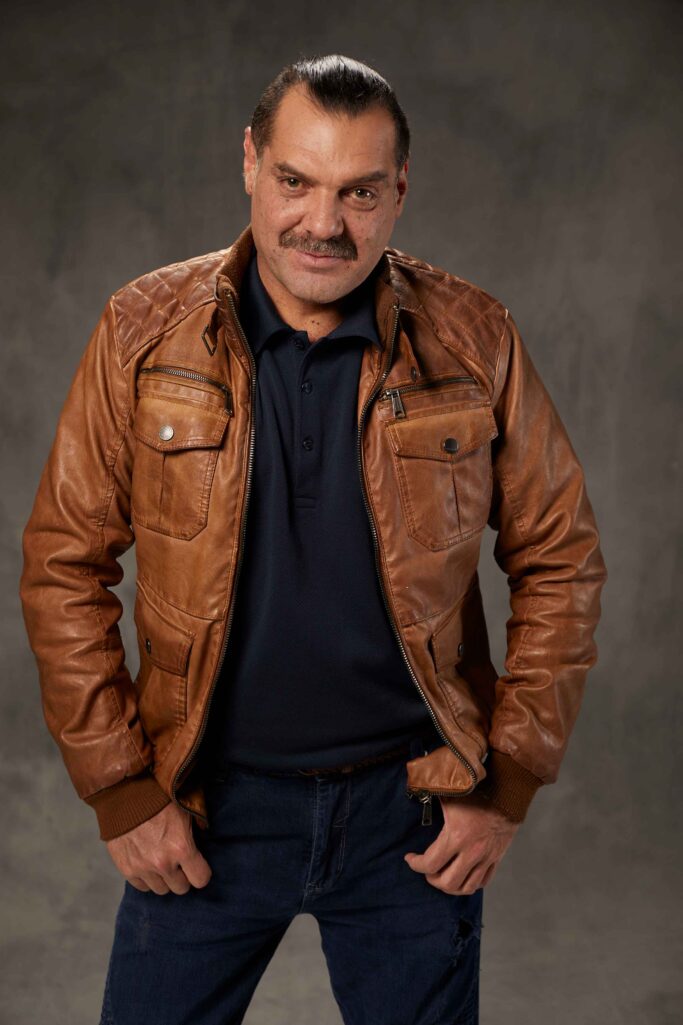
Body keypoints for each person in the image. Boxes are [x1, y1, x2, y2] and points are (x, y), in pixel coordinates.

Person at [19, 54, 607, 1025]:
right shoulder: (141, 329)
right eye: (295, 180)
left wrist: (506, 782)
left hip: (411, 813)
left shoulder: (473, 336)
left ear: (399, 190)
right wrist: (120, 787)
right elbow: (61, 563)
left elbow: (561, 558)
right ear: (250, 162)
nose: (323, 223)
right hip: (202, 807)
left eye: (358, 192)